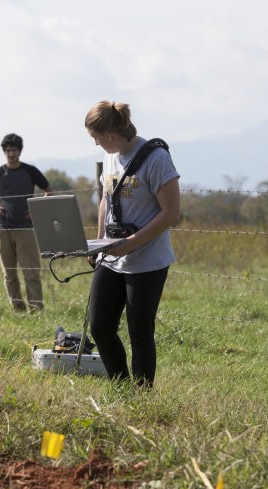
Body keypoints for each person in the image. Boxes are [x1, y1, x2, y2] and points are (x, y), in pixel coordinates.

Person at [84, 101, 180, 387]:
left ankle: (143, 398)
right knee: (100, 327)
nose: (96, 144)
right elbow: (105, 199)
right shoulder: (112, 157)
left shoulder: (156, 158)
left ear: (110, 135)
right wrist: (100, 243)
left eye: (96, 138)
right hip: (112, 258)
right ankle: (122, 388)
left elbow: (171, 213)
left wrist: (132, 243)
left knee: (139, 331)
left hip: (147, 260)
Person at [0, 133, 53, 313]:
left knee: (31, 272)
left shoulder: (30, 171)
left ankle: (36, 310)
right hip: (3, 228)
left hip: (25, 228)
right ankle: (17, 309)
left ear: (20, 151)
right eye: (8, 150)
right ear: (4, 152)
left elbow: (50, 192)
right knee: (9, 273)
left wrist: (36, 210)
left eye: (14, 150)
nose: (11, 154)